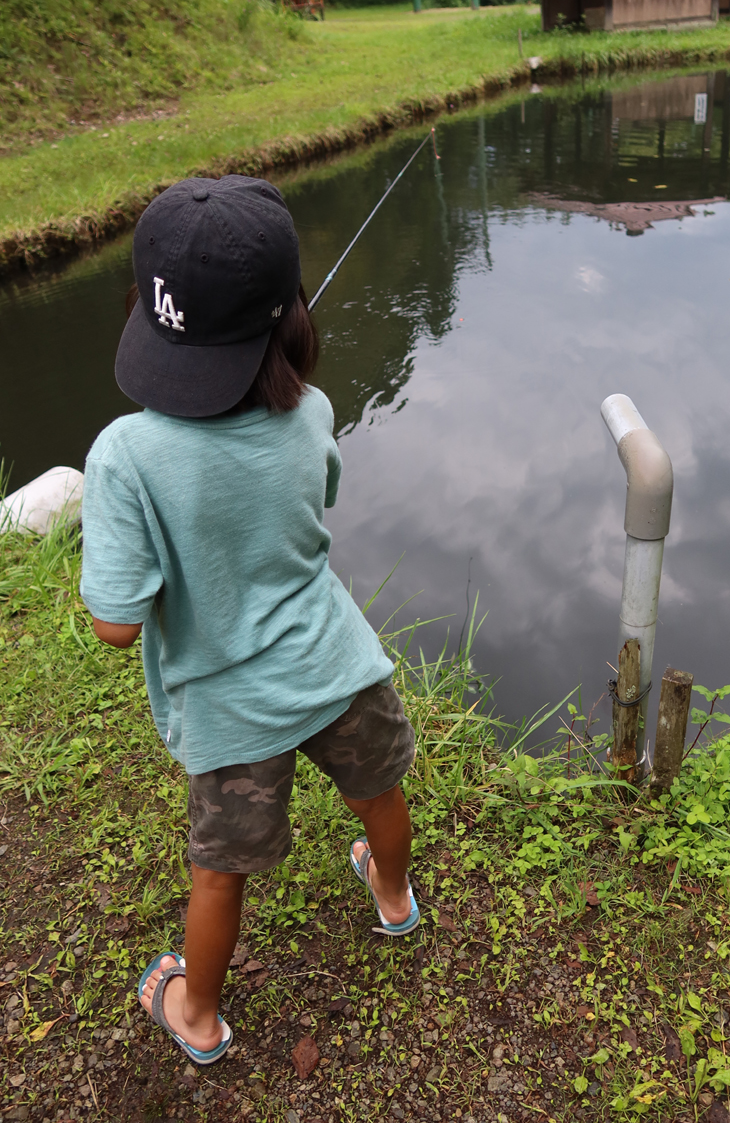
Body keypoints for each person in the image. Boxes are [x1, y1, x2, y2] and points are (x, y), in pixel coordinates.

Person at [80, 175, 419, 1066]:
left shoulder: (124, 454)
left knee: (217, 873)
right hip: (342, 668)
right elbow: (321, 501)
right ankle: (392, 897)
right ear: (287, 315)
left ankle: (196, 1015)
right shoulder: (312, 409)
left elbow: (115, 625)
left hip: (233, 719)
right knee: (377, 795)